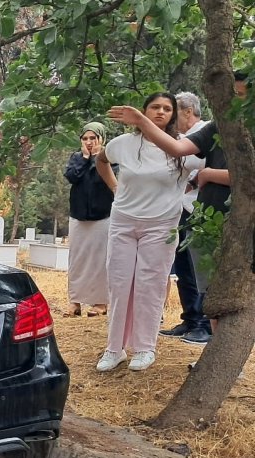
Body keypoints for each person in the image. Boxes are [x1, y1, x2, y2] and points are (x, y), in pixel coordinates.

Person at [108, 74, 247, 354]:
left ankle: (220, 354)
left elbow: (246, 175)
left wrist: (208, 174)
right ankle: (213, 353)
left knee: (229, 291)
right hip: (201, 219)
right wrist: (139, 123)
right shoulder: (216, 127)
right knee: (207, 290)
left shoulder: (244, 128)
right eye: (232, 94)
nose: (234, 100)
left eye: (241, 94)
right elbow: (176, 148)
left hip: (227, 221)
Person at [95, 92, 203, 373]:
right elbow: (101, 160)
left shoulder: (183, 148)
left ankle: (144, 348)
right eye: (154, 107)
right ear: (144, 111)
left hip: (161, 225)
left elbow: (203, 174)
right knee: (119, 284)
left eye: (167, 108)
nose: (160, 112)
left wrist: (183, 192)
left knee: (149, 286)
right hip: (123, 222)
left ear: (174, 115)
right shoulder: (124, 144)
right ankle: (114, 349)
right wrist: (115, 188)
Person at [158, 91, 210, 344]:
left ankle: (203, 322)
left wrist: (191, 180)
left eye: (173, 112)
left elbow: (205, 169)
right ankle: (190, 319)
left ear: (188, 112)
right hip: (180, 209)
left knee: (197, 268)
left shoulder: (207, 132)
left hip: (199, 209)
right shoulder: (181, 138)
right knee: (183, 269)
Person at [63, 122, 115, 318]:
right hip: (78, 216)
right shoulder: (77, 158)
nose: (89, 142)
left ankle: (100, 303)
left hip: (102, 216)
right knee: (77, 260)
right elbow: (71, 177)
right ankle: (74, 302)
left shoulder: (110, 158)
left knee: (101, 260)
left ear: (101, 139)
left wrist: (97, 159)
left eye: (93, 138)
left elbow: (109, 181)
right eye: (85, 138)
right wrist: (85, 158)